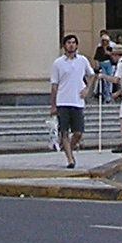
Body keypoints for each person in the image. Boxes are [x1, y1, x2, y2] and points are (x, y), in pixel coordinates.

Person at [49, 34, 94, 168]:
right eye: (69, 42)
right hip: (63, 101)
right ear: (64, 45)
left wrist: (87, 89)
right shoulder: (58, 63)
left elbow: (91, 75)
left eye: (74, 43)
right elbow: (54, 85)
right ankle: (70, 159)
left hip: (77, 101)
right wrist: (53, 105)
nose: (71, 45)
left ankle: (69, 148)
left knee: (78, 132)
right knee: (64, 131)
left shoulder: (82, 60)